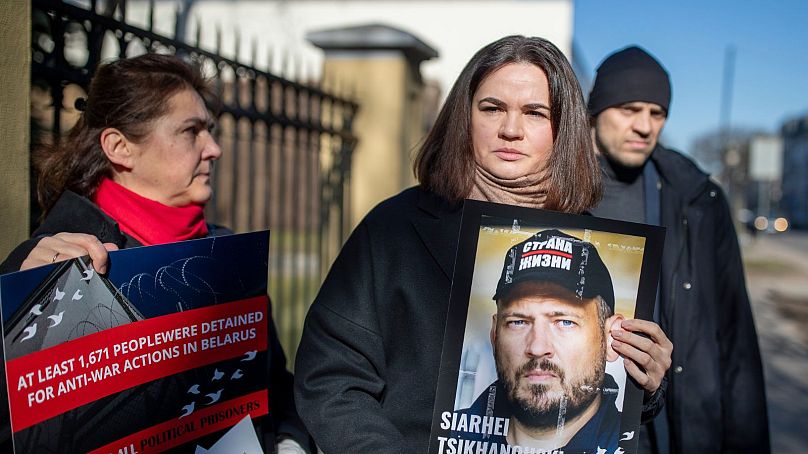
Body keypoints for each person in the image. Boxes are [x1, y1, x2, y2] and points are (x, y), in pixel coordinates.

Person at [294, 35, 673, 453]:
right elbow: (331, 376)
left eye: (535, 113)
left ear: (562, 129)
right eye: (492, 108)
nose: (510, 130)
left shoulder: (596, 245)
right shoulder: (394, 228)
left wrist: (646, 381)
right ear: (464, 117)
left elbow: (600, 396)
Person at [0, 54, 313, 454]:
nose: (214, 148)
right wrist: (21, 309)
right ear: (119, 147)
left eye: (210, 131)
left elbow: (274, 385)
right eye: (190, 131)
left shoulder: (227, 254)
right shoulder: (48, 261)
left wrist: (289, 441)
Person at [588, 46, 769, 453]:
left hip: (673, 428)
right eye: (629, 109)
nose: (644, 126)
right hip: (580, 420)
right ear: (594, 111)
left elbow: (735, 337)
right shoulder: (553, 191)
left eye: (657, 113)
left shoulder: (698, 201)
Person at [461, 229, 626, 452]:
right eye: (518, 322)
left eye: (565, 322)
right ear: (494, 335)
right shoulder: (445, 435)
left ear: (611, 337)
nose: (538, 348)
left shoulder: (634, 441)